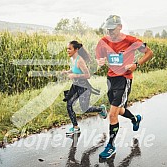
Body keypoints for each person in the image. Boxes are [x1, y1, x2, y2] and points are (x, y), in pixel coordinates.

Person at [96, 15, 153, 159]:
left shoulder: (131, 41)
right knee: (119, 110)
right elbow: (99, 57)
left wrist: (136, 65)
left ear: (120, 27)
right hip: (111, 79)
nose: (110, 32)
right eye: (108, 29)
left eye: (112, 29)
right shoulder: (103, 42)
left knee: (112, 114)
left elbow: (149, 53)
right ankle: (135, 118)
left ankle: (111, 146)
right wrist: (100, 61)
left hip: (124, 79)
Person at [62, 40, 108, 135]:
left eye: (70, 49)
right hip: (75, 86)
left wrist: (74, 76)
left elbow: (87, 75)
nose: (67, 50)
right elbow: (74, 69)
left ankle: (101, 109)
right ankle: (75, 127)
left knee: (84, 109)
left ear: (76, 49)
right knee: (69, 104)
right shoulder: (73, 59)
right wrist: (67, 72)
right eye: (67, 49)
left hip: (83, 87)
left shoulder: (80, 61)